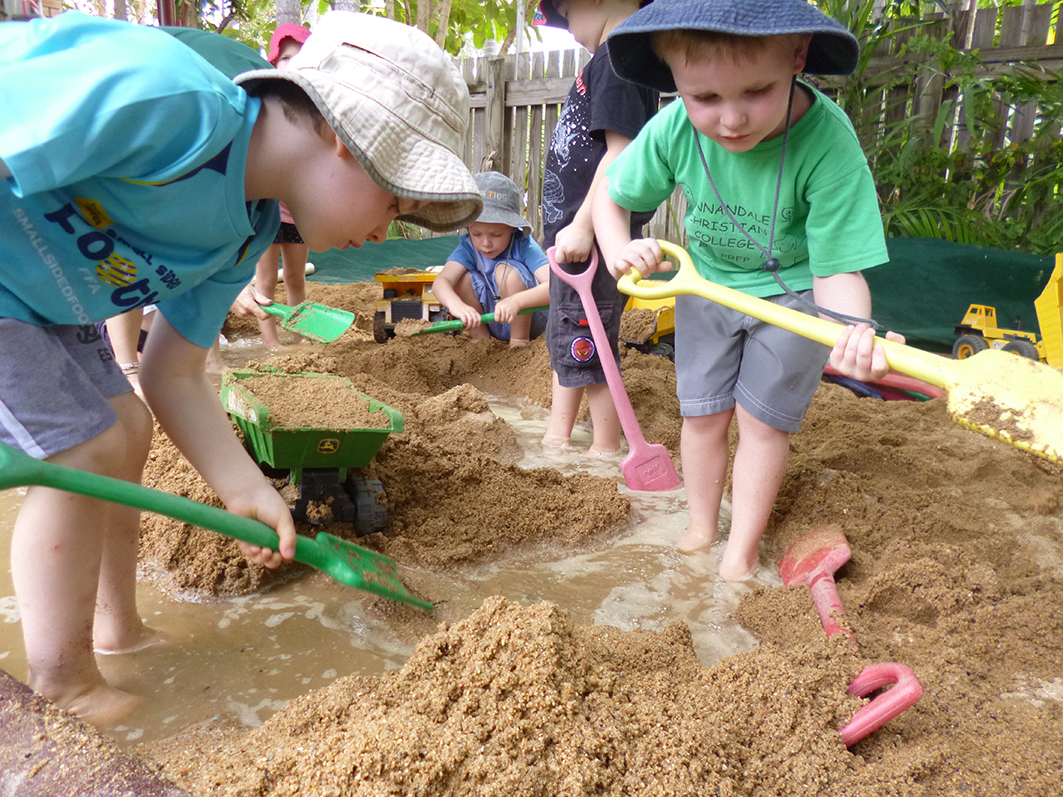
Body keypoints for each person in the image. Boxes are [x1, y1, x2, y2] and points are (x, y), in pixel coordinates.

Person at [0, 10, 480, 723]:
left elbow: (171, 374)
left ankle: (116, 629)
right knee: (87, 445)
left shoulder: (240, 234)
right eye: (394, 202)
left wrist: (244, 487)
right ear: (350, 141)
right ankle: (63, 681)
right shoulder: (172, 104)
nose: (383, 233)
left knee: (127, 424)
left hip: (48, 304)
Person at [593, 0, 904, 581]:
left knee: (763, 423)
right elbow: (612, 195)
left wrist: (849, 331)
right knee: (703, 414)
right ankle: (700, 528)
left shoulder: (829, 144)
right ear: (676, 82)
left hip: (794, 298)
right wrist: (617, 249)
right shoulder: (673, 130)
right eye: (705, 98)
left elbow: (839, 269)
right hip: (704, 285)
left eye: (756, 92)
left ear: (797, 56)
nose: (730, 119)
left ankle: (739, 551)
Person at [534, 0, 660, 455]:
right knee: (572, 336)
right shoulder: (613, 59)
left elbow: (620, 156)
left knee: (591, 346)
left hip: (593, 241)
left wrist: (585, 225)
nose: (566, 26)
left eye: (565, 12)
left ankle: (606, 450)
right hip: (579, 243)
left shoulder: (618, 60)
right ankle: (557, 436)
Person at [432, 171, 550, 347]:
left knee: (506, 270)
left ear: (512, 228)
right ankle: (482, 341)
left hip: (528, 318)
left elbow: (554, 286)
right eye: (476, 234)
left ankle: (519, 341)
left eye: (496, 235)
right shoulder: (468, 247)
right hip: (490, 319)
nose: (485, 243)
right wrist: (457, 306)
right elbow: (441, 282)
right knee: (460, 280)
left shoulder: (523, 244)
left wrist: (516, 301)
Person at [254, 23, 313, 348]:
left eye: (300, 55)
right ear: (274, 61)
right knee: (265, 280)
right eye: (286, 56)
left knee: (295, 277)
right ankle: (271, 343)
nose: (293, 62)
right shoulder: (266, 102)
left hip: (297, 211)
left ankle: (299, 334)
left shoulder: (312, 108)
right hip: (268, 210)